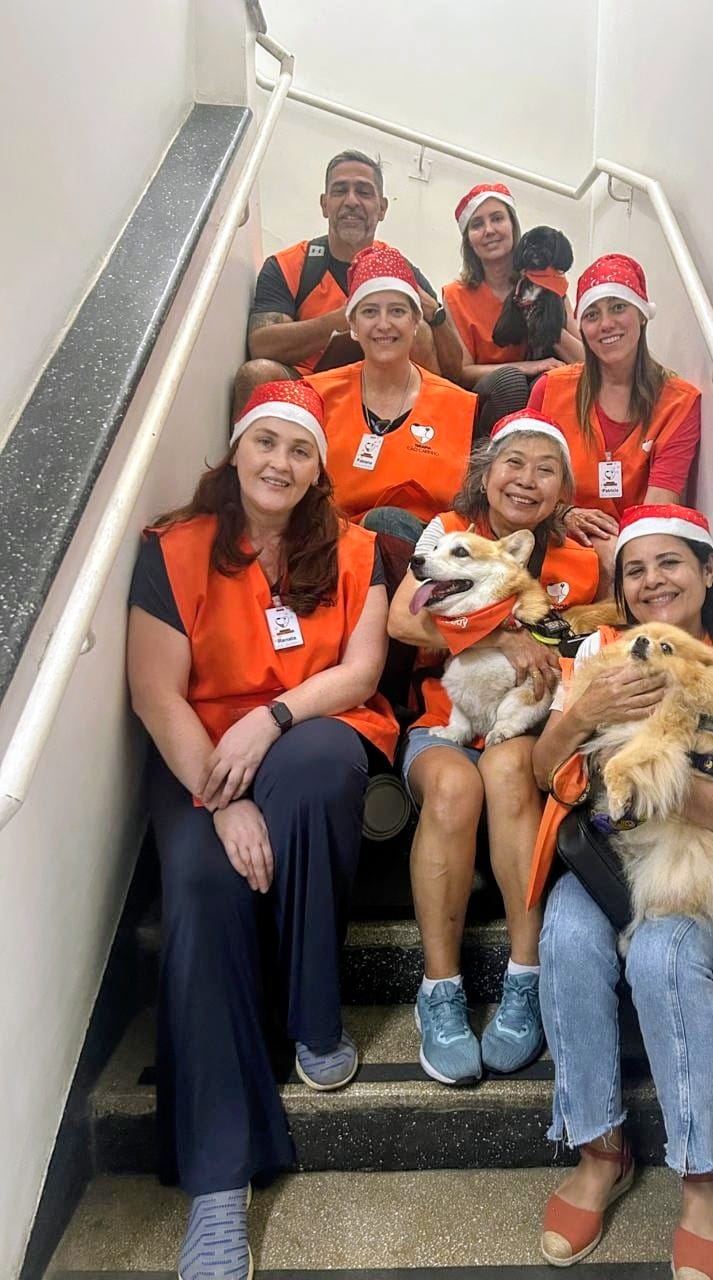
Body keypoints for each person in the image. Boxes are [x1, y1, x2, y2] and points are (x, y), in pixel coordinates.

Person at [126, 380, 398, 1280]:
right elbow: (155, 693)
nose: (280, 463)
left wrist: (272, 720)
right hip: (198, 756)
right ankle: (217, 1182)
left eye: (300, 450)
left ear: (321, 468)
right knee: (202, 886)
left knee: (323, 767)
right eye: (265, 444)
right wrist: (218, 791)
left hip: (304, 730)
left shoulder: (360, 550)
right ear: (235, 452)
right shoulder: (174, 547)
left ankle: (312, 1014)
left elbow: (359, 674)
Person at [526, 504, 713, 1276]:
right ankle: (598, 1148)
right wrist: (582, 716)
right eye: (634, 570)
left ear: (707, 571)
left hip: (709, 867)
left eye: (669, 563)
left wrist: (658, 782)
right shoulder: (598, 656)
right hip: (611, 861)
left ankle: (704, 1178)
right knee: (568, 938)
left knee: (661, 961)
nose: (651, 582)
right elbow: (546, 773)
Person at [386, 410, 600, 1087]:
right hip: (443, 717)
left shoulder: (584, 562)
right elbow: (400, 619)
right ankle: (440, 992)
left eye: (546, 470)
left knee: (508, 771)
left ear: (563, 490)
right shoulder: (447, 537)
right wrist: (497, 637)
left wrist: (545, 657)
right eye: (515, 462)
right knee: (455, 786)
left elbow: (590, 651)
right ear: (486, 471)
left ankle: (525, 978)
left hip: (526, 727)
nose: (527, 479)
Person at [234, 149, 462, 414]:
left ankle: (424, 438)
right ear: (324, 204)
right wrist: (344, 317)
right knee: (256, 374)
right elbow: (261, 345)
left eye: (364, 192)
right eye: (340, 190)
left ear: (382, 208)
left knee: (420, 330)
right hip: (306, 392)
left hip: (384, 396)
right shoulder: (288, 265)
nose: (352, 201)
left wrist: (436, 314)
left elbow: (454, 369)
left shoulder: (402, 270)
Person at [528, 254, 702, 593]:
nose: (606, 324)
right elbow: (521, 484)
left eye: (618, 308)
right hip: (555, 535)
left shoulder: (679, 402)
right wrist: (564, 515)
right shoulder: (550, 390)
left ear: (641, 314)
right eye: (592, 315)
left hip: (636, 549)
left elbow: (657, 512)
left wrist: (616, 550)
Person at [305, 241, 478, 550]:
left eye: (397, 311)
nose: (383, 324)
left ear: (415, 323)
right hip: (331, 557)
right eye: (370, 312)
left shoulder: (458, 405)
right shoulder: (316, 396)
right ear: (353, 326)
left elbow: (467, 517)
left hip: (422, 565)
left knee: (386, 521)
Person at [444, 182, 583, 435]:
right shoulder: (455, 295)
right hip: (491, 397)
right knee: (512, 382)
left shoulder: (549, 282)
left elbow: (583, 360)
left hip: (542, 391)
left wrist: (543, 321)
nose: (489, 230)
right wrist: (529, 366)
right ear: (469, 240)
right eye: (477, 225)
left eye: (497, 219)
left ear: (513, 226)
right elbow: (462, 373)